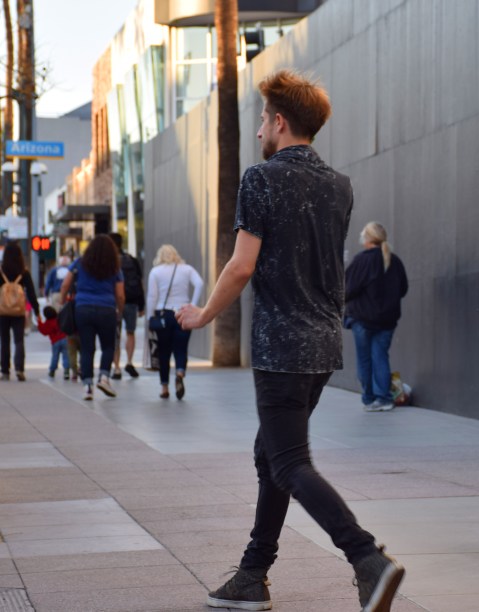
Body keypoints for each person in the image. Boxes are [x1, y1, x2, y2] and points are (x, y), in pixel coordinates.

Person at [177, 69, 405, 612]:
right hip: (323, 344)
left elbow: (241, 265)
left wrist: (204, 314)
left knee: (288, 462)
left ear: (280, 122)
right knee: (272, 455)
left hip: (282, 344)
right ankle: (252, 575)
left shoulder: (261, 179)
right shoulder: (340, 185)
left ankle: (366, 558)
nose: (259, 130)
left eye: (262, 120)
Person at [344, 222, 408, 412]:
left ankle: (370, 398)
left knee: (365, 360)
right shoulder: (394, 261)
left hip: (362, 319)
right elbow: (403, 288)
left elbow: (347, 290)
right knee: (380, 356)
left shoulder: (361, 261)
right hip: (387, 320)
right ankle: (384, 398)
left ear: (368, 238)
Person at [60, 234, 124, 400]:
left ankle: (87, 387)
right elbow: (120, 294)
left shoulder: (80, 263)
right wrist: (119, 311)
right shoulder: (114, 266)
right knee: (108, 346)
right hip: (107, 309)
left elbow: (65, 284)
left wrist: (62, 302)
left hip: (83, 308)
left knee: (87, 348)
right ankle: (104, 377)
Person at [147, 244, 203, 399]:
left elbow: (152, 296)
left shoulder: (155, 271)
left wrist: (150, 317)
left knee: (163, 352)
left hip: (163, 314)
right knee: (181, 348)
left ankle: (164, 388)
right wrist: (193, 304)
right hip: (183, 312)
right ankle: (179, 373)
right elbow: (199, 283)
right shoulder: (187, 269)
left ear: (160, 256)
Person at [0, 241, 40, 381]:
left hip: (2, 311)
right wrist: (36, 310)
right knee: (19, 340)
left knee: (4, 340)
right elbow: (31, 293)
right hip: (19, 311)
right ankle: (19, 369)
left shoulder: (1, 271)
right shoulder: (24, 272)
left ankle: (5, 371)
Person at [109, 233, 145, 380]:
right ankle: (129, 362)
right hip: (131, 301)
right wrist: (141, 305)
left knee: (114, 336)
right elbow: (140, 283)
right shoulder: (132, 260)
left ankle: (116, 368)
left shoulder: (108, 262)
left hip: (113, 303)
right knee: (130, 332)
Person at [36, 306, 70, 380]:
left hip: (55, 341)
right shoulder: (59, 319)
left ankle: (52, 371)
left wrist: (39, 322)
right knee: (66, 356)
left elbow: (44, 331)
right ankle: (66, 371)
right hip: (64, 339)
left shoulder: (48, 323)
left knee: (55, 357)